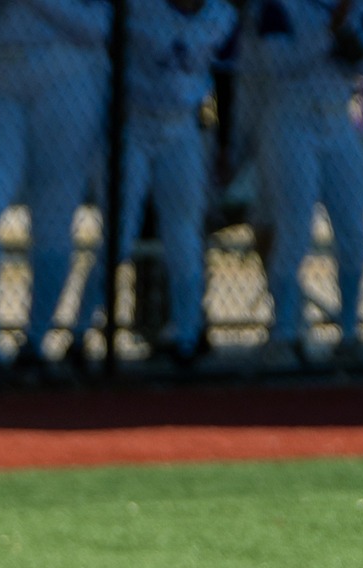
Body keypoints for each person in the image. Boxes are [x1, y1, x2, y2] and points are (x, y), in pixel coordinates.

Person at [0, 0, 111, 384]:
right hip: (3, 70)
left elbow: (100, 27)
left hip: (72, 73)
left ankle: (37, 341)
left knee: (54, 217)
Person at [72, 0, 236, 373]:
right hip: (133, 125)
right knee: (119, 235)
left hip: (182, 129)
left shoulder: (220, 16)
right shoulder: (137, 9)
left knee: (184, 233)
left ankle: (187, 334)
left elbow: (225, 76)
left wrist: (225, 142)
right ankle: (82, 332)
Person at [245, 0, 363, 370]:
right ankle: (286, 334)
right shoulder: (279, 6)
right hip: (290, 119)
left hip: (340, 121)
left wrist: (343, 30)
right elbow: (279, 65)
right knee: (295, 229)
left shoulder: (360, 6)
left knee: (354, 231)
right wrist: (330, 32)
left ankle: (350, 334)